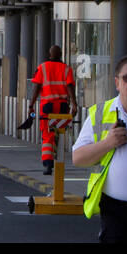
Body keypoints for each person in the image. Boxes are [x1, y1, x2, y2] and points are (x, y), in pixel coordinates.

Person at [73, 53, 127, 242]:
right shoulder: (100, 114)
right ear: (117, 83)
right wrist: (108, 143)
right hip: (116, 211)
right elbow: (78, 158)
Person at [27, 45, 77, 174]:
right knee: (60, 132)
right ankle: (59, 158)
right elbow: (70, 87)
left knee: (47, 136)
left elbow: (37, 87)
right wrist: (74, 105)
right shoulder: (67, 69)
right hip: (62, 106)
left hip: (47, 106)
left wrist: (31, 105)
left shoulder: (42, 68)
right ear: (61, 54)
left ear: (49, 54)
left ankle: (48, 164)